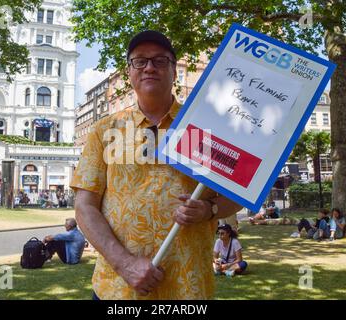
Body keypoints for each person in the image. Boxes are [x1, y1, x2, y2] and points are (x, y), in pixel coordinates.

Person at [70, 30, 242, 300]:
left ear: (175, 71)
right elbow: (84, 206)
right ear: (129, 72)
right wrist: (125, 264)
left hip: (187, 288)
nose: (150, 66)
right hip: (117, 289)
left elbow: (236, 195)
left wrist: (210, 209)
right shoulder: (104, 130)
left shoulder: (204, 129)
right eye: (140, 60)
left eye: (160, 60)